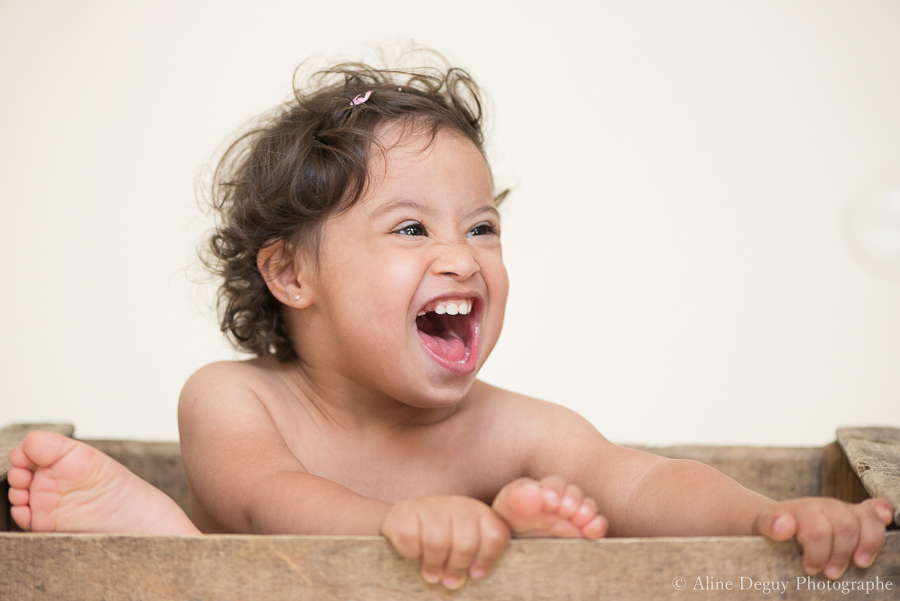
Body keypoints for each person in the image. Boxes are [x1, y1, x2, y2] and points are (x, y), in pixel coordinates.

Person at [8, 54, 894, 591]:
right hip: (252, 589)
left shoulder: (509, 427)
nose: (463, 257)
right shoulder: (237, 398)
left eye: (482, 227)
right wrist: (404, 521)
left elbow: (638, 481)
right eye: (410, 228)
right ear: (289, 271)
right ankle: (146, 524)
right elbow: (265, 501)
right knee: (200, 560)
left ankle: (519, 546)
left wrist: (768, 517)